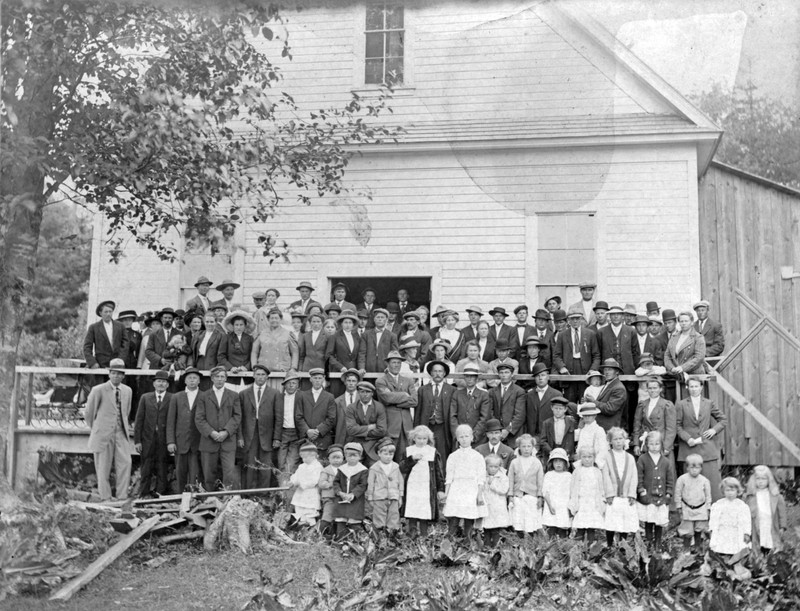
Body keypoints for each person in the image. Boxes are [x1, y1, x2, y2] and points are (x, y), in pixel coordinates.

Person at [84, 359, 133, 501]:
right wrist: (98, 429)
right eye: (113, 373)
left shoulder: (127, 390)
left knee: (126, 463)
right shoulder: (98, 390)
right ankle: (105, 497)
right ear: (109, 374)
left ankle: (122, 496)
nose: (116, 376)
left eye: (119, 374)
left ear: (123, 376)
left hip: (121, 432)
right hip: (103, 433)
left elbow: (126, 411)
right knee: (103, 467)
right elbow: (89, 413)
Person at [676, 377, 727, 501]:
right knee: (690, 484)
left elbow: (723, 420)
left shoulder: (708, 403)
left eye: (696, 386)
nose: (694, 389)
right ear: (687, 388)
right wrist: (687, 439)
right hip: (689, 449)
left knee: (712, 483)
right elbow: (677, 425)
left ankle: (713, 511)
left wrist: (713, 430)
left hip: (706, 449)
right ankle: (691, 513)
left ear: (701, 387)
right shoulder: (681, 404)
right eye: (691, 386)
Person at [195, 366, 242, 490]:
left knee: (229, 474)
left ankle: (227, 500)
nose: (220, 379)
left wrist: (226, 432)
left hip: (228, 441)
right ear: (212, 378)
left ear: (226, 378)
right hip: (209, 441)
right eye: (217, 377)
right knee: (208, 475)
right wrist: (212, 433)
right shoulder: (203, 396)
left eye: (222, 377)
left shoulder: (233, 395)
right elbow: (199, 418)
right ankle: (209, 500)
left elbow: (237, 416)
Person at [400, 425, 446, 538]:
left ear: (428, 439)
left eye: (424, 438)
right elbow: (402, 468)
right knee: (412, 509)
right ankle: (412, 533)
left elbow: (438, 472)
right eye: (419, 438)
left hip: (426, 486)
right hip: (412, 486)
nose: (421, 441)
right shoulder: (409, 451)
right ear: (414, 438)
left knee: (424, 510)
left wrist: (440, 489)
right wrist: (411, 460)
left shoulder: (432, 452)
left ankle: (424, 535)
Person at [443, 424, 487, 539]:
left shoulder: (478, 456)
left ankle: (467, 541)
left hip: (471, 489)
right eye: (461, 436)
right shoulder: (453, 456)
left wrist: (479, 494)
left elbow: (481, 478)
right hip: (456, 489)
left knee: (469, 517)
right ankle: (449, 542)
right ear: (457, 439)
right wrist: (446, 494)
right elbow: (449, 477)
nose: (464, 439)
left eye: (467, 436)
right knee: (454, 517)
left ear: (472, 438)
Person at [239, 364, 280, 488]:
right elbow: (239, 418)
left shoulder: (274, 393)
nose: (260, 377)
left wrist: (276, 438)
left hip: (267, 434)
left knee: (265, 465)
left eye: (263, 375)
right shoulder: (244, 393)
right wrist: (240, 437)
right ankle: (248, 494)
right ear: (253, 375)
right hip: (249, 434)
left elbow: (278, 417)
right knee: (249, 464)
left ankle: (264, 494)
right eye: (258, 374)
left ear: (267, 377)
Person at [134, 370, 172, 497]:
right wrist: (137, 441)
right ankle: (143, 494)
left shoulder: (172, 398)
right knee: (146, 468)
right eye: (159, 381)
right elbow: (139, 420)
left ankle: (160, 494)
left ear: (168, 385)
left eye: (164, 382)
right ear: (154, 384)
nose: (161, 384)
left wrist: (172, 441)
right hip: (147, 439)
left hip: (164, 439)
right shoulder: (146, 398)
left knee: (162, 466)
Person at [636, 431, 675, 548]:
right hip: (648, 495)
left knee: (659, 521)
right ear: (647, 444)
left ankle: (657, 543)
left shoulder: (666, 461)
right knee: (649, 520)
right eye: (651, 444)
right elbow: (639, 476)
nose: (654, 446)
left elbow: (670, 479)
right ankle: (648, 543)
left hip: (661, 496)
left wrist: (668, 493)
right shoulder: (642, 459)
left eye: (657, 444)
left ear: (661, 445)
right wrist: (641, 490)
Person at [376, 351, 418, 461]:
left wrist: (394, 401)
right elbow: (386, 398)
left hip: (406, 426)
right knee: (389, 456)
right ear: (388, 364)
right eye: (393, 362)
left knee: (405, 458)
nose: (396, 365)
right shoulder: (381, 381)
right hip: (391, 425)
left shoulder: (408, 380)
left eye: (399, 363)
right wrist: (404, 395)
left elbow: (414, 401)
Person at [166, 366, 203, 492]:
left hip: (197, 441)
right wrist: (170, 441)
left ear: (199, 381)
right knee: (180, 472)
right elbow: (171, 421)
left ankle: (193, 498)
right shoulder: (176, 397)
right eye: (189, 378)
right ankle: (180, 498)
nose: (192, 380)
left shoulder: (204, 396)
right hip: (180, 440)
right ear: (185, 381)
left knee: (195, 472)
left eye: (195, 378)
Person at [553, 307, 601, 403]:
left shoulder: (590, 334)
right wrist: (562, 367)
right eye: (572, 319)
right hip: (569, 371)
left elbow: (596, 355)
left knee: (585, 400)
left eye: (577, 318)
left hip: (586, 371)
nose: (575, 321)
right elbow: (556, 355)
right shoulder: (562, 335)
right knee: (569, 402)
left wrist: (592, 369)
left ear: (581, 319)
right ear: (568, 320)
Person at [601, 427, 638, 546]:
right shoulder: (607, 456)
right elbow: (605, 476)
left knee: (624, 521)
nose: (618, 442)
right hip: (613, 496)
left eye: (620, 439)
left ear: (625, 440)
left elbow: (634, 477)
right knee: (611, 521)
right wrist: (609, 494)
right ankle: (610, 544)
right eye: (615, 439)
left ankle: (623, 545)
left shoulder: (630, 458)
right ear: (610, 441)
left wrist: (632, 493)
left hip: (626, 495)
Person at [415, 360, 455, 459]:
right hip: (427, 426)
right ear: (431, 373)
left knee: (442, 454)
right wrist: (417, 429)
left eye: (440, 371)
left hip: (442, 427)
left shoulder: (451, 390)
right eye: (435, 371)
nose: (438, 374)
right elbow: (418, 411)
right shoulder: (423, 389)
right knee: (425, 453)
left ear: (444, 373)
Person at [507, 434, 544, 537]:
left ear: (533, 447)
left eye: (529, 446)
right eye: (523, 446)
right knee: (518, 521)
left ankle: (532, 543)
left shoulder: (537, 463)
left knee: (530, 522)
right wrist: (510, 495)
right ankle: (520, 542)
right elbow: (510, 480)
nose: (526, 449)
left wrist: (540, 496)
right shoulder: (514, 462)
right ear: (519, 447)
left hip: (532, 496)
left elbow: (540, 481)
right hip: (518, 496)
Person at [745, 465, 787, 553]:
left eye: (763, 479)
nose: (760, 482)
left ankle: (771, 558)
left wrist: (782, 526)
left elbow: (782, 512)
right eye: (758, 479)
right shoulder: (750, 496)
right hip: (758, 522)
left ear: (769, 480)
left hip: (771, 522)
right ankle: (759, 559)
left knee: (771, 541)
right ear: (753, 480)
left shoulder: (776, 496)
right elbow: (744, 514)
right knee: (758, 542)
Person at [344, 380, 388, 466]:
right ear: (358, 393)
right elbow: (350, 430)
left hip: (373, 446)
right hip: (355, 444)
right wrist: (369, 427)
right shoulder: (351, 408)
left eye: (368, 392)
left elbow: (382, 430)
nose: (365, 394)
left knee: (375, 467)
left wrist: (360, 430)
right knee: (353, 469)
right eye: (362, 391)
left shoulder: (379, 407)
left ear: (372, 393)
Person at [674, 454, 712, 552]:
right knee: (687, 529)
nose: (694, 470)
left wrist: (708, 507)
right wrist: (678, 506)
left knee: (699, 528)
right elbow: (678, 494)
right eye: (692, 467)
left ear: (701, 468)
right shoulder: (682, 479)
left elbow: (708, 496)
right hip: (687, 507)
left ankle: (697, 547)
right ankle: (686, 548)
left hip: (701, 508)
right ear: (687, 467)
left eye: (697, 468)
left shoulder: (704, 481)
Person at [367, 437, 404, 538]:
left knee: (393, 516)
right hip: (379, 496)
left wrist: (400, 496)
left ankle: (392, 536)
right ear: (379, 453)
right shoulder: (374, 468)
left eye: (391, 454)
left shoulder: (396, 467)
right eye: (385, 454)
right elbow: (370, 484)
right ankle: (380, 536)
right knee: (379, 516)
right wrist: (370, 497)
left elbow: (400, 482)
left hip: (393, 496)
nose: (388, 457)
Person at [450, 363, 492, 446]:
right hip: (460, 439)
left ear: (477, 379)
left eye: (472, 376)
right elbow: (452, 416)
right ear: (464, 378)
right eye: (467, 376)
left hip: (477, 439)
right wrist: (458, 435)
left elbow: (484, 418)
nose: (469, 379)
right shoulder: (457, 394)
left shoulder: (483, 395)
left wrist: (474, 436)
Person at [632, 377, 676, 457]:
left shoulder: (667, 405)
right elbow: (636, 426)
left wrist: (667, 447)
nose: (652, 390)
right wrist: (636, 444)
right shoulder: (642, 405)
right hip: (646, 444)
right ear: (647, 390)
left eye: (655, 388)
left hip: (661, 444)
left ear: (660, 389)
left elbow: (671, 429)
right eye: (650, 388)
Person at [333, 442, 369, 540]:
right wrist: (339, 492)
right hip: (342, 498)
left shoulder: (362, 470)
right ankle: (340, 539)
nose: (352, 458)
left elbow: (363, 485)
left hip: (355, 500)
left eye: (355, 455)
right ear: (345, 456)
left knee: (354, 520)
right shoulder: (342, 469)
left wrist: (353, 494)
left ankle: (355, 540)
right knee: (341, 519)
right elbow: (336, 482)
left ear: (360, 456)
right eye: (349, 455)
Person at [569, 447, 606, 542]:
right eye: (584, 457)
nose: (587, 459)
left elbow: (600, 488)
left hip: (593, 503)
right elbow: (573, 488)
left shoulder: (597, 471)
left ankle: (591, 549)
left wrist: (601, 502)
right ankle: (578, 550)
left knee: (591, 528)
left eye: (590, 457)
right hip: (581, 503)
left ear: (594, 458)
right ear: (580, 458)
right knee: (580, 527)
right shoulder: (577, 471)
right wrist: (573, 503)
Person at [296, 368, 336, 452]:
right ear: (310, 379)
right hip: (306, 439)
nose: (317, 381)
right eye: (315, 378)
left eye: (320, 378)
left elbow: (331, 418)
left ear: (323, 379)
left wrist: (318, 431)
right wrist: (308, 431)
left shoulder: (329, 397)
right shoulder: (302, 395)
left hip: (323, 439)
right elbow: (298, 416)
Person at [709, 478, 751, 556]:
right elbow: (714, 519)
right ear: (723, 491)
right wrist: (712, 530)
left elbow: (746, 520)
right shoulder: (719, 504)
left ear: (737, 491)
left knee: (736, 548)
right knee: (722, 547)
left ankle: (734, 561)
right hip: (723, 531)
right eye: (727, 490)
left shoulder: (741, 505)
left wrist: (746, 533)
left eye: (732, 490)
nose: (730, 493)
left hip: (736, 531)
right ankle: (723, 559)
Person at [83, 300, 129, 369]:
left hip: (118, 364)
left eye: (110, 311)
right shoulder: (94, 327)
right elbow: (87, 347)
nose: (108, 314)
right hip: (100, 364)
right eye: (106, 312)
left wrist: (120, 360)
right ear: (100, 313)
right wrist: (92, 362)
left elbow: (125, 344)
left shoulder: (120, 326)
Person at [489, 362, 526, 449]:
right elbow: (490, 412)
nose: (504, 375)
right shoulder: (492, 392)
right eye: (501, 373)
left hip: (513, 435)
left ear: (512, 374)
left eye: (506, 372)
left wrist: (507, 430)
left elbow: (519, 415)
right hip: (497, 434)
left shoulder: (519, 391)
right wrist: (496, 430)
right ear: (498, 374)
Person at [251, 307, 299, 372]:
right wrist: (254, 366)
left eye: (276, 318)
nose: (274, 320)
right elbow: (254, 352)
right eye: (272, 318)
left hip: (283, 371)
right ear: (268, 319)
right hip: (264, 371)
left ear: (281, 319)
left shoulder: (288, 334)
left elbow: (295, 352)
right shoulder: (262, 334)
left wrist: (293, 368)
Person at [525, 363, 565, 437]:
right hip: (532, 435)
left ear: (548, 377)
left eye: (543, 375)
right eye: (537, 376)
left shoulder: (556, 394)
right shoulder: (529, 395)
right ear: (534, 379)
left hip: (550, 434)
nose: (540, 378)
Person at [598, 306, 639, 376]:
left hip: (627, 371)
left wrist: (636, 369)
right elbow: (598, 353)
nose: (616, 317)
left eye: (618, 314)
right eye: (613, 314)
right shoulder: (602, 332)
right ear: (609, 316)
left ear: (623, 316)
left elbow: (635, 352)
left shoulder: (631, 331)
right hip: (608, 371)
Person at [276, 371, 302, 482]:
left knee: (291, 463)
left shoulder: (302, 397)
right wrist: (276, 437)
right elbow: (275, 418)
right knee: (281, 462)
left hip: (296, 434)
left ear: (298, 385)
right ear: (284, 385)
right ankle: (281, 489)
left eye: (294, 383)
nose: (291, 385)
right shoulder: (279, 397)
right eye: (289, 383)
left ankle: (289, 489)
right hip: (283, 433)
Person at [290, 442, 323, 527]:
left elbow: (314, 480)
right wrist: (293, 481)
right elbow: (295, 476)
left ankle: (311, 530)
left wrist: (301, 483)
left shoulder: (317, 466)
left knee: (309, 513)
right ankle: (301, 530)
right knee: (300, 512)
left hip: (310, 493)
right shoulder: (301, 466)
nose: (303, 459)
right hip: (300, 494)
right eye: (302, 457)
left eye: (305, 457)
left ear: (313, 455)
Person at [541, 448, 572, 537]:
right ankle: (551, 549)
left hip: (563, 506)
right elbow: (545, 491)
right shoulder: (549, 475)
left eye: (560, 461)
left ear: (565, 463)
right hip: (552, 505)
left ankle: (562, 548)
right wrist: (550, 505)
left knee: (562, 529)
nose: (558, 464)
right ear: (552, 463)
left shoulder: (568, 476)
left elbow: (571, 493)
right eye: (555, 461)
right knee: (551, 529)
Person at [665, 310, 707, 376]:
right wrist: (672, 368)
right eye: (681, 321)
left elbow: (699, 357)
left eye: (686, 321)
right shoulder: (674, 337)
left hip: (694, 375)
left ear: (692, 322)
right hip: (677, 374)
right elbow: (667, 355)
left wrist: (683, 368)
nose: (683, 323)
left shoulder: (698, 337)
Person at [590, 358, 628, 431]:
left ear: (617, 372)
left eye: (610, 369)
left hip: (609, 428)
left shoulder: (619, 388)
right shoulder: (608, 384)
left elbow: (609, 409)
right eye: (605, 369)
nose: (607, 372)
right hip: (601, 426)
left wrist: (593, 402)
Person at [482, 454, 511, 547]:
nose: (493, 469)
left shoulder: (503, 477)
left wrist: (492, 484)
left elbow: (504, 490)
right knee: (486, 528)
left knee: (496, 529)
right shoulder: (482, 476)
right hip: (487, 506)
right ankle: (486, 547)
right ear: (486, 466)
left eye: (496, 467)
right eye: (491, 466)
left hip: (498, 507)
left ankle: (496, 548)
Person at [358, 308, 399, 373]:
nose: (380, 319)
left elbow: (394, 354)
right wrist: (361, 368)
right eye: (378, 317)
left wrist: (390, 368)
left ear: (386, 320)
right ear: (374, 319)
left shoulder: (392, 336)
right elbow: (362, 353)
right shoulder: (366, 334)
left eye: (382, 317)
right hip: (368, 370)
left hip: (385, 370)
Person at [317, 444, 345, 540]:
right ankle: (322, 534)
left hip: (340, 497)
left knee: (340, 516)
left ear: (343, 458)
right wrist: (331, 483)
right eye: (334, 457)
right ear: (329, 459)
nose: (336, 460)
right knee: (328, 514)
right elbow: (321, 483)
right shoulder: (326, 471)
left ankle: (337, 535)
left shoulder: (344, 469)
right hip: (329, 496)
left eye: (339, 457)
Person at [539, 396, 576, 461]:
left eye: (560, 408)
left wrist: (570, 452)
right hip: (552, 453)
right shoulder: (547, 423)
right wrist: (550, 451)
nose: (558, 411)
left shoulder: (571, 422)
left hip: (567, 454)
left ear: (565, 409)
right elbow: (543, 441)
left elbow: (575, 439)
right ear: (551, 408)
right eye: (556, 408)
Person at [334, 368, 361, 446]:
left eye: (354, 381)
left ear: (357, 383)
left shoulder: (363, 400)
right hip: (342, 437)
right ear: (345, 382)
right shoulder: (337, 401)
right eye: (349, 381)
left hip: (358, 437)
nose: (351, 383)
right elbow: (334, 422)